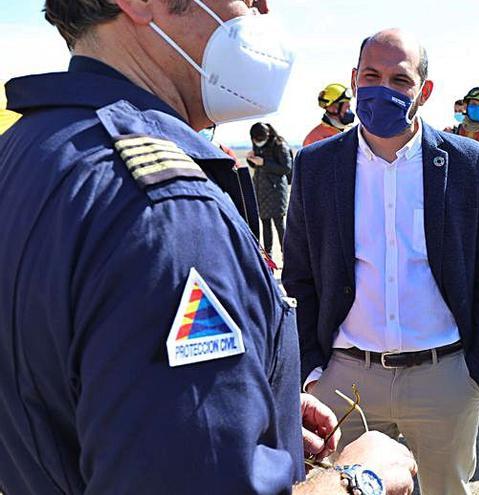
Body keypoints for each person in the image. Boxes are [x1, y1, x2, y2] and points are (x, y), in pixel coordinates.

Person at [0, 1, 417, 494]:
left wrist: (255, 401)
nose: (263, 8)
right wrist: (362, 477)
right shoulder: (164, 210)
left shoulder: (29, 149)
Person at [282, 29, 479, 495]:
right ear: (353, 80)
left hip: (444, 376)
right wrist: (311, 370)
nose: (382, 88)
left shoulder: (472, 164)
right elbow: (300, 275)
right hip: (343, 379)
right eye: (371, 75)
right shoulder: (315, 165)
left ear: (423, 91)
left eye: (399, 79)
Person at [247, 122, 291, 257]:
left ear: (267, 135)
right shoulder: (258, 145)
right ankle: (268, 257)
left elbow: (286, 168)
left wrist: (264, 163)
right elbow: (257, 167)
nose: (257, 142)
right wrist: (251, 160)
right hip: (260, 190)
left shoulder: (280, 145)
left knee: (279, 224)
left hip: (276, 191)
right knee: (265, 224)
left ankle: (287, 255)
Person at [303, 83, 354, 147]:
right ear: (333, 108)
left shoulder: (351, 133)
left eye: (349, 108)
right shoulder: (314, 139)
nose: (349, 112)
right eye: (347, 108)